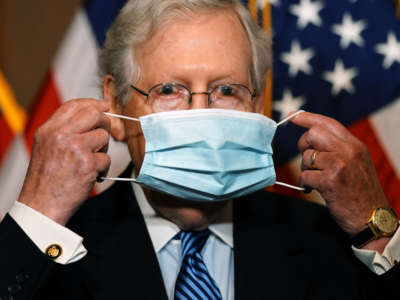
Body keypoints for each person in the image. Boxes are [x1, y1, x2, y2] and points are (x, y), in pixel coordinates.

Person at [1, 0, 400, 299]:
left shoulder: (323, 242)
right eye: (169, 90)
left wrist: (378, 232)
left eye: (226, 90)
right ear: (117, 106)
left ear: (257, 106)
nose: (201, 116)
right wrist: (37, 214)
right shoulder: (53, 248)